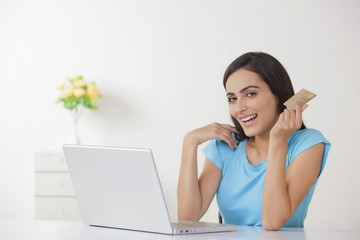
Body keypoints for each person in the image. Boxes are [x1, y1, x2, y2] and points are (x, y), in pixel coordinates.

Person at [177, 52, 331, 231]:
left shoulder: (307, 144)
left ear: (277, 95)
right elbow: (187, 218)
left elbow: (273, 222)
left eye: (250, 94)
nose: (239, 108)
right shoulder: (225, 147)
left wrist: (278, 140)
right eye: (232, 99)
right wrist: (189, 142)